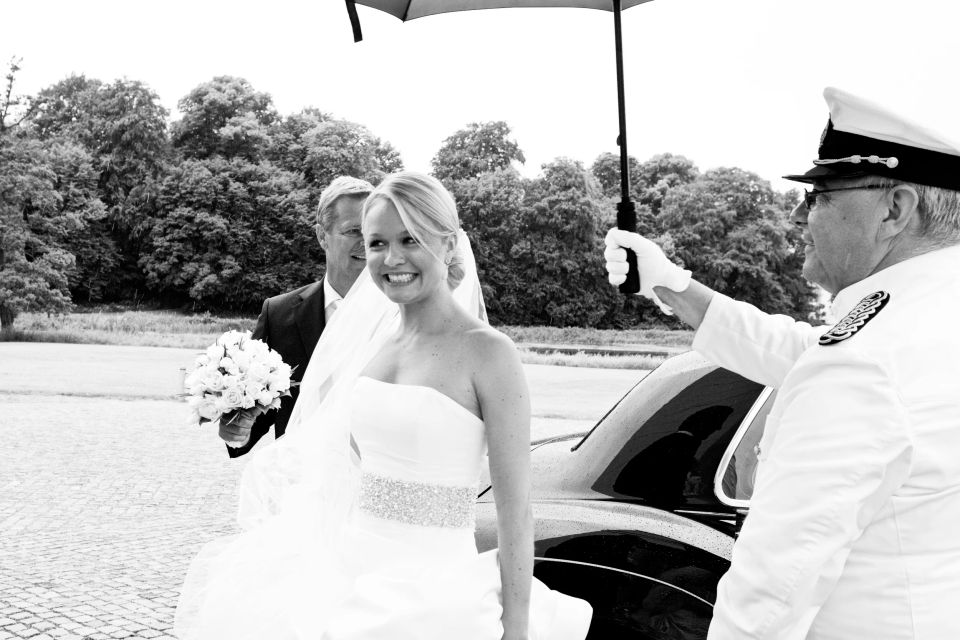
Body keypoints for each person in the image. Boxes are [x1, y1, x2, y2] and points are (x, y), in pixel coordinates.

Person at [604, 87, 960, 639]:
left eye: (820, 194)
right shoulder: (927, 322)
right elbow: (806, 352)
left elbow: (774, 589)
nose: (798, 215)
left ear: (894, 210)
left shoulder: (864, 363)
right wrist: (672, 285)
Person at [175, 171, 592, 639]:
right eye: (376, 243)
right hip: (348, 577)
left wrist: (516, 631)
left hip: (435, 591)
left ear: (450, 244)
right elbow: (339, 462)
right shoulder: (370, 348)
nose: (391, 259)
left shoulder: (489, 353)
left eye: (410, 240)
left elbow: (516, 511)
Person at [221, 176, 373, 457]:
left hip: (376, 488)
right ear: (321, 236)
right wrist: (236, 431)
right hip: (300, 486)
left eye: (374, 231)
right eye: (353, 230)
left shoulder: (403, 317)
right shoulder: (278, 315)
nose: (367, 242)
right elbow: (253, 417)